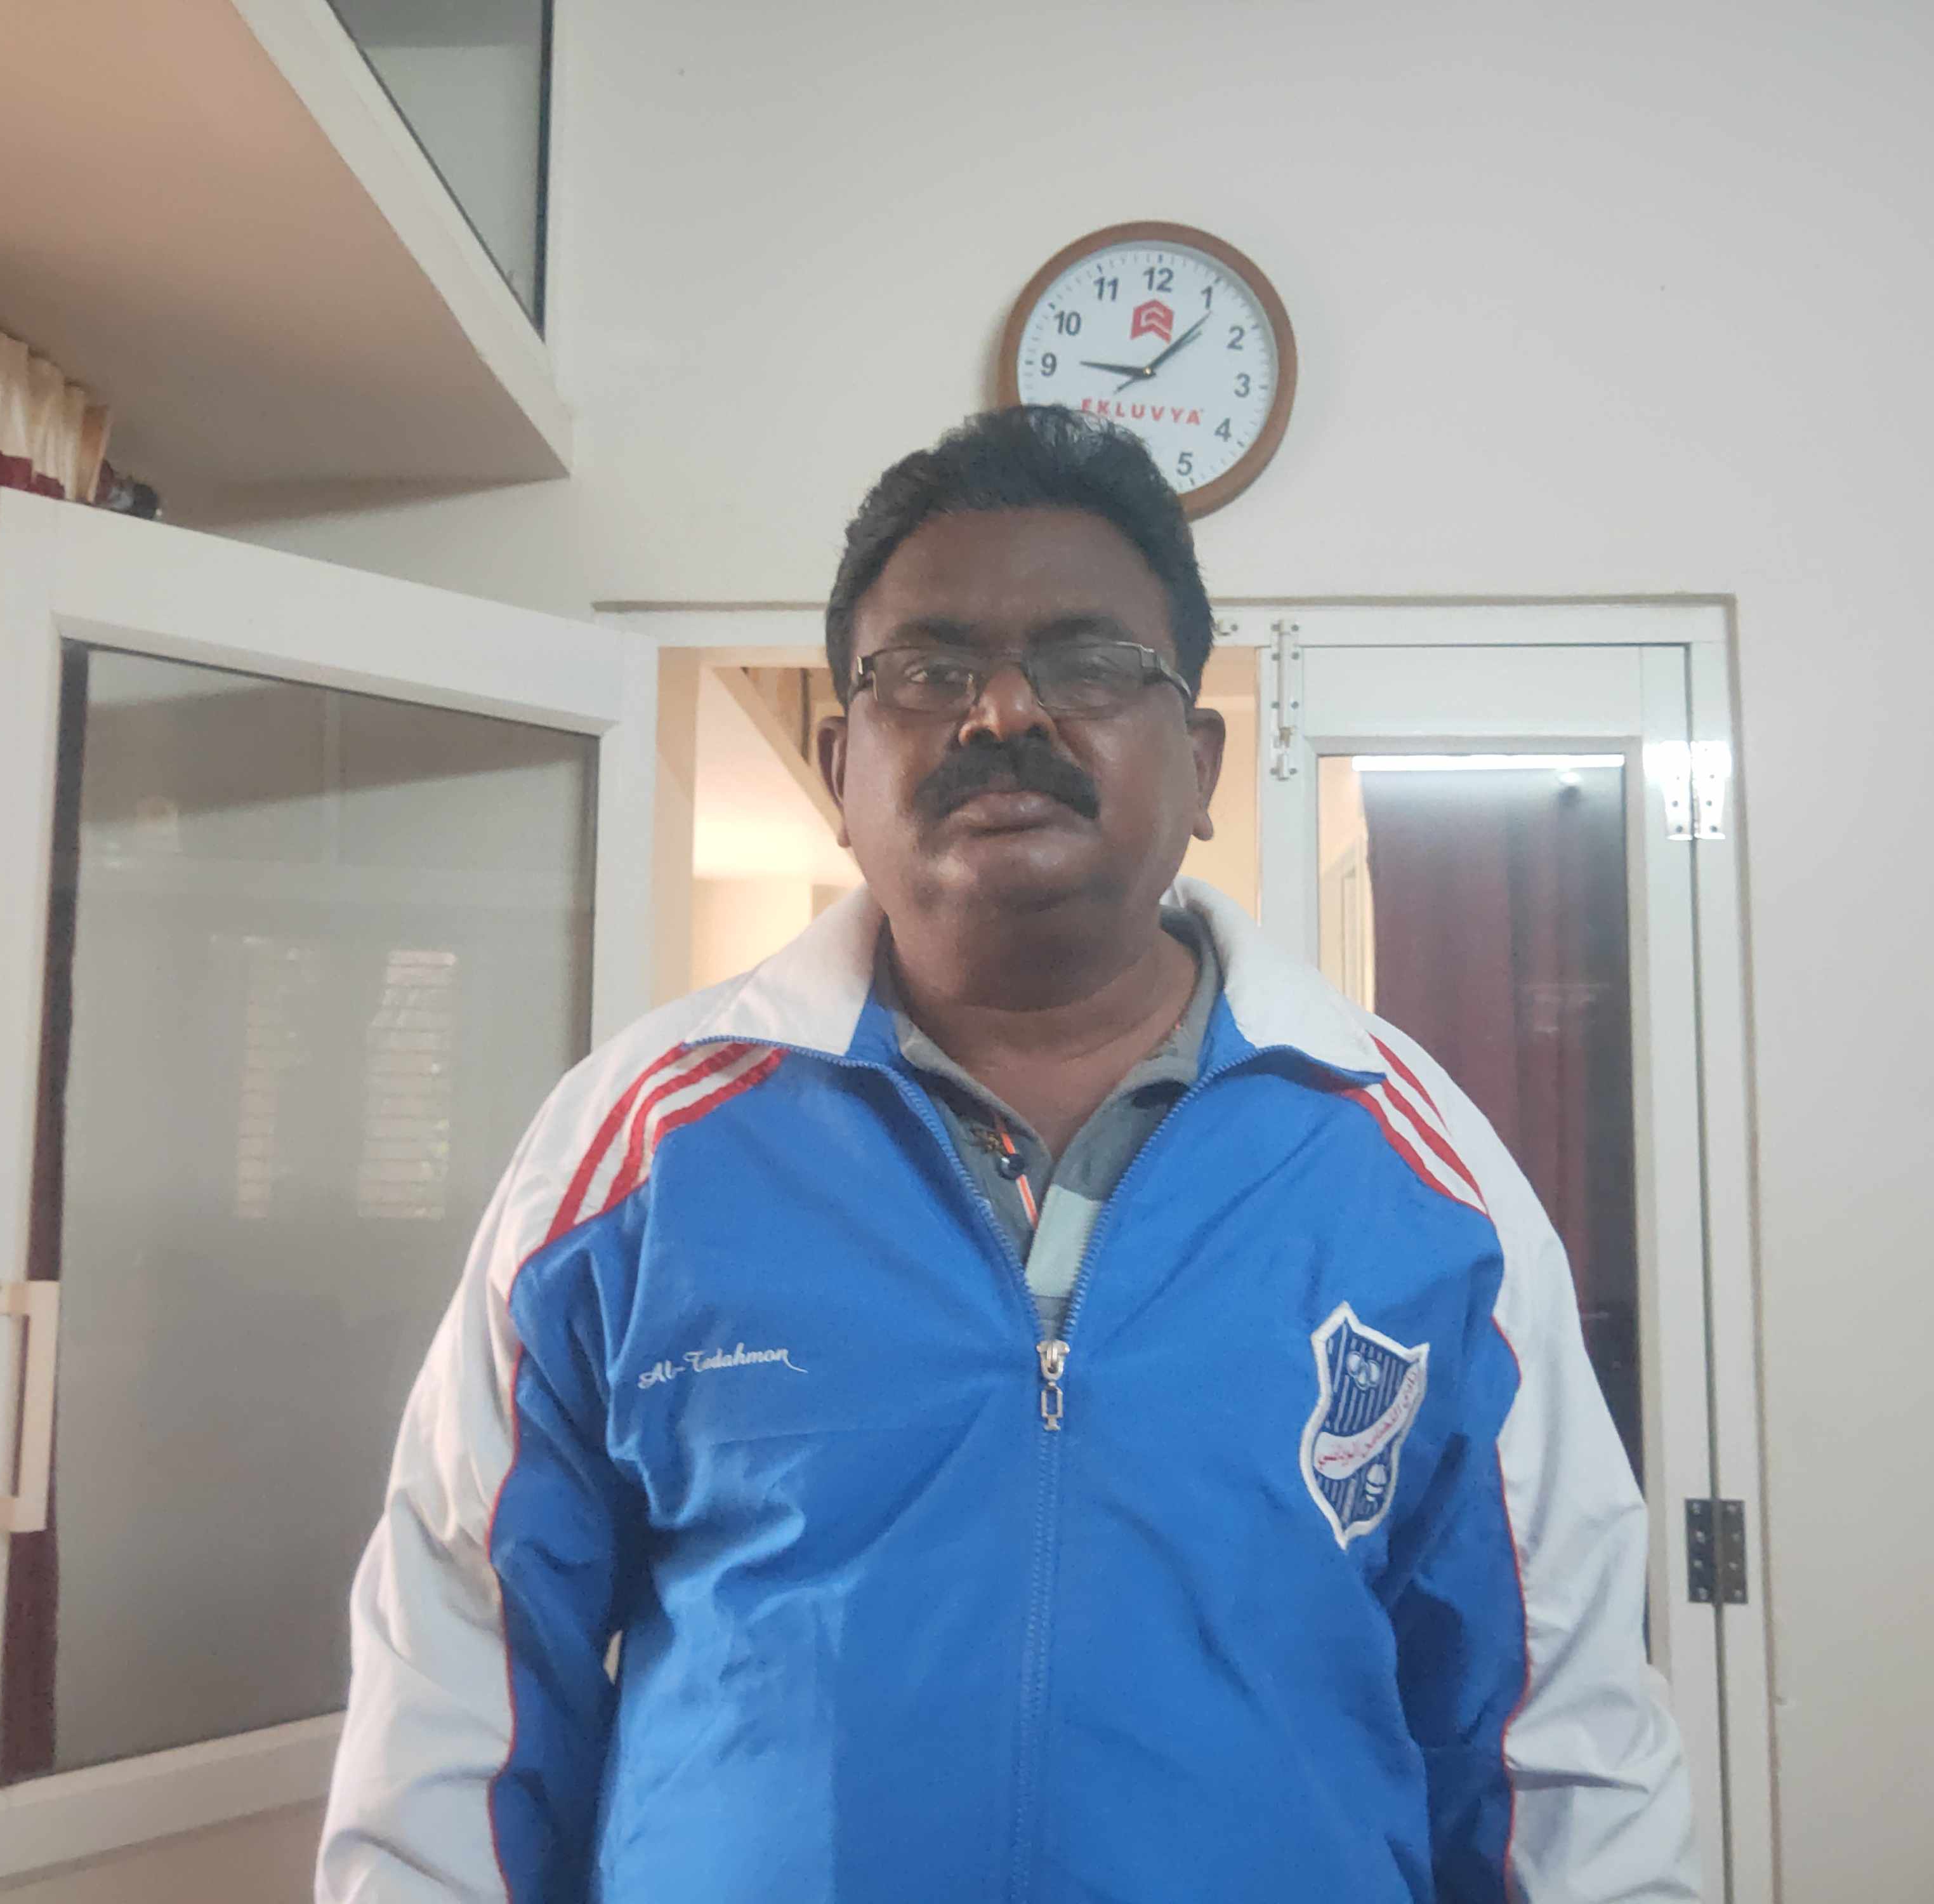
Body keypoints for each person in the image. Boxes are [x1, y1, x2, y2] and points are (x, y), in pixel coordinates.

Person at [318, 407, 1696, 1903]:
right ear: (840, 768)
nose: (1000, 715)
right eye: (929, 669)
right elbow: (456, 1696)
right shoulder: (637, 1154)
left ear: (1201, 764)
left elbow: (1557, 1742)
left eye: (1088, 661)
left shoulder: (1414, 1177)